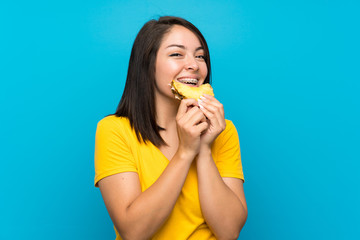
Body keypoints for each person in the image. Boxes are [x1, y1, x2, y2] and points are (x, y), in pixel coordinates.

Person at [94, 16, 247, 240]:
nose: (194, 65)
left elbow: (229, 231)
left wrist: (204, 150)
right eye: (176, 54)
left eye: (200, 56)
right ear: (147, 65)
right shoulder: (114, 130)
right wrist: (186, 152)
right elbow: (133, 232)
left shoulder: (222, 130)